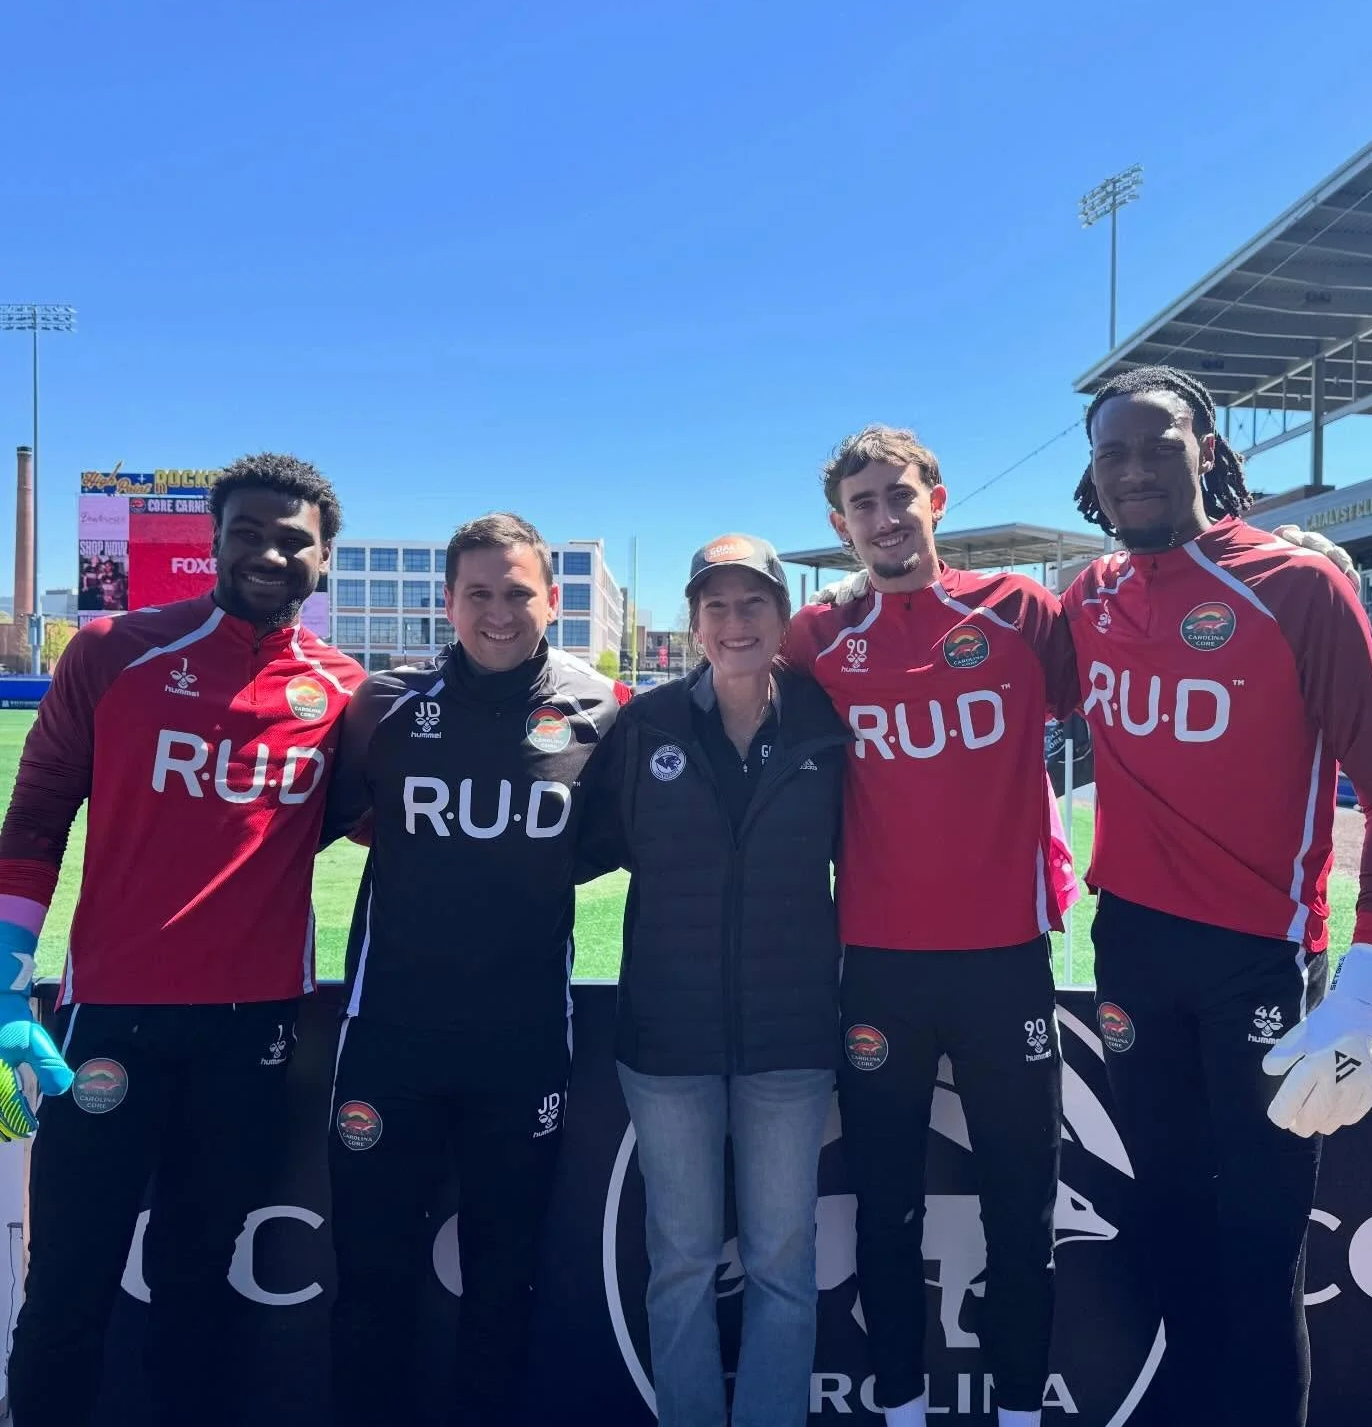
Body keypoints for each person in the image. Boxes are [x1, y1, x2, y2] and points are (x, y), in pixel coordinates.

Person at [1066, 365, 1372, 1426]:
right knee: (1169, 1236)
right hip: (1129, 949)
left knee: (1261, 1254)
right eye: (1111, 453)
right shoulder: (1087, 597)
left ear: (1209, 454)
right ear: (1092, 477)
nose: (1134, 469)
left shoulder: (1296, 588)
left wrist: (1363, 988)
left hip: (1259, 965)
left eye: (1157, 445)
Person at [0, 453, 362, 1427]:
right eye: (249, 531)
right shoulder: (114, 650)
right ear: (215, 542)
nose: (270, 552)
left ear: (324, 559)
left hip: (255, 1038)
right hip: (111, 1023)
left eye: (295, 539)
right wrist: (5, 975)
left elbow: (394, 821)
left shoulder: (344, 694)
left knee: (201, 1286)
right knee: (70, 1277)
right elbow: (34, 820)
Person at [784, 428, 1081, 1427]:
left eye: (898, 496)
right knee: (884, 1209)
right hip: (877, 968)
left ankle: (1021, 1412)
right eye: (862, 504)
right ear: (840, 524)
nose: (884, 517)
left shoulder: (1023, 613)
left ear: (937, 500)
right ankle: (901, 1409)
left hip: (1006, 962)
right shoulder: (817, 639)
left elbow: (1117, 712)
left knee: (1022, 1209)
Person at [322, 512, 628, 1425]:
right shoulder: (384, 705)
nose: (500, 612)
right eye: (479, 594)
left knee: (504, 1284)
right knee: (372, 1281)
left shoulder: (601, 708)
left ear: (555, 599)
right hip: (389, 1042)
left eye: (519, 592)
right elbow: (334, 817)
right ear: (448, 601)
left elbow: (601, 844)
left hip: (522, 1046)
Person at [579, 534, 851, 1427]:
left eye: (754, 604)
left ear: (782, 617)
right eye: (717, 607)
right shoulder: (646, 724)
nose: (736, 623)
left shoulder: (824, 723)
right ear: (694, 623)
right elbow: (576, 848)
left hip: (791, 1041)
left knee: (781, 1261)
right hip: (666, 1043)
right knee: (683, 1262)